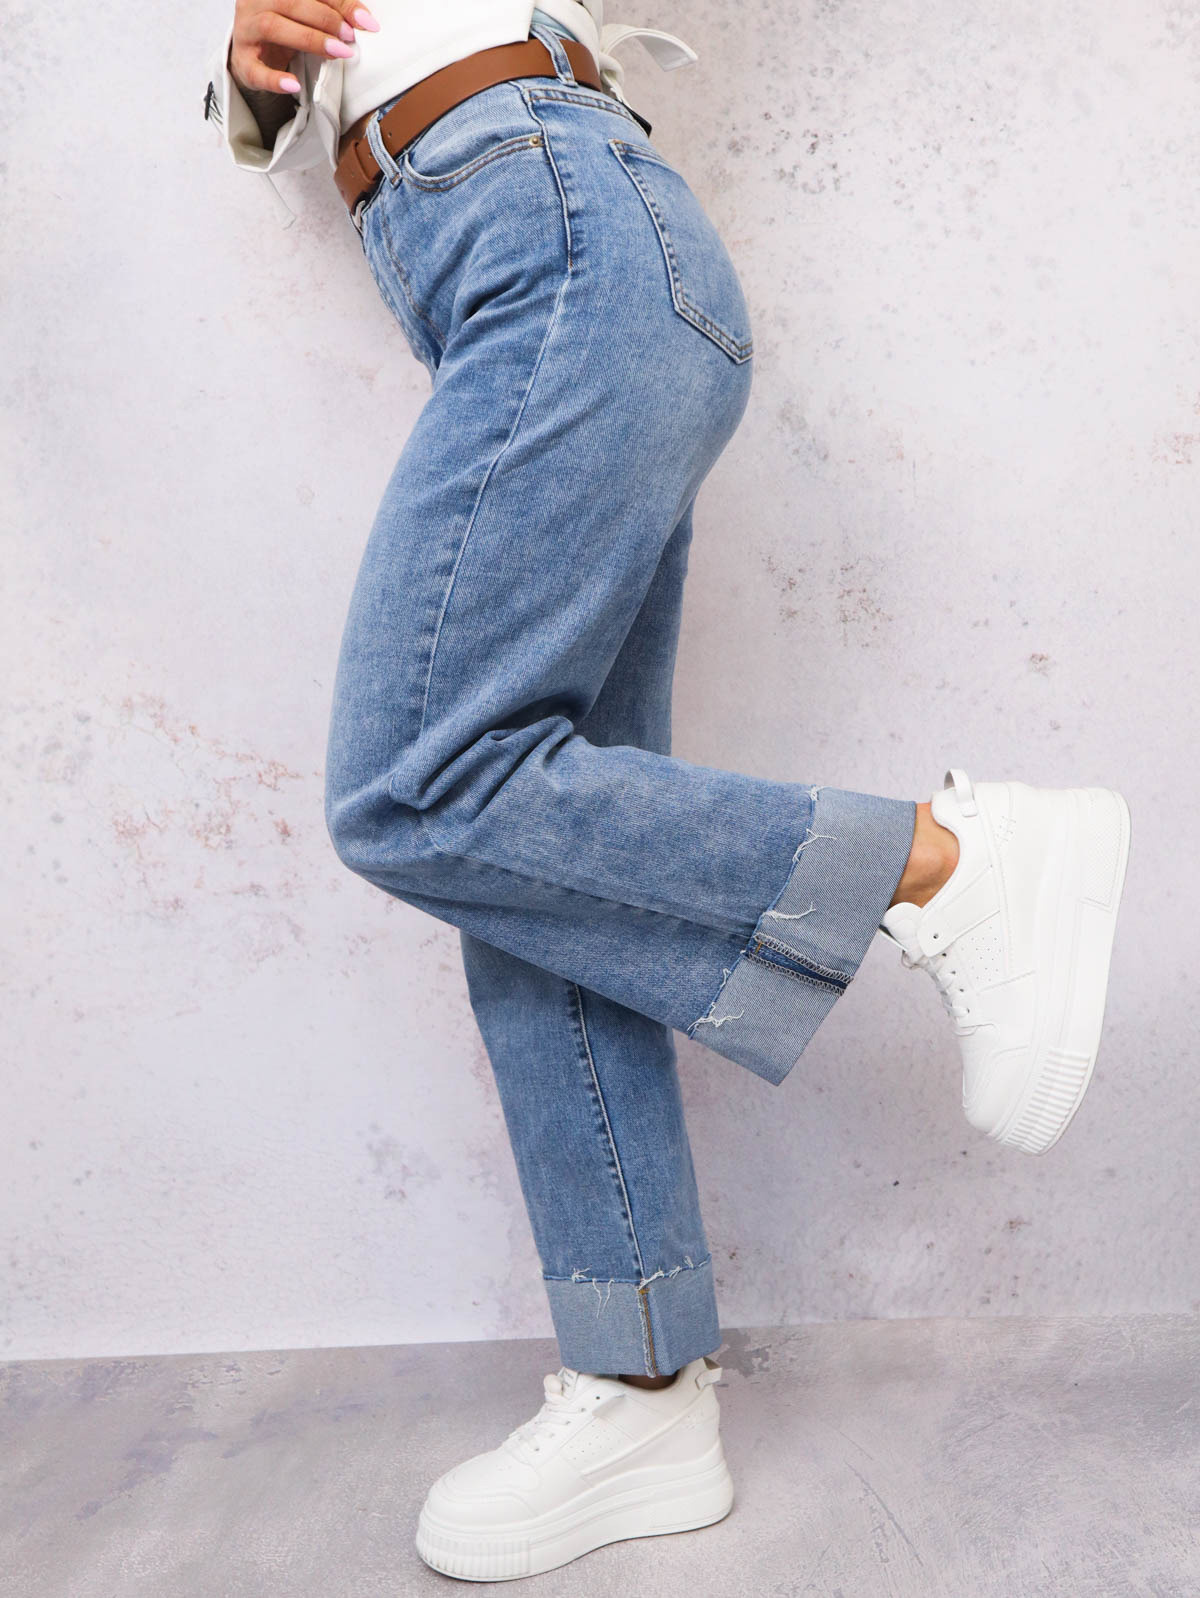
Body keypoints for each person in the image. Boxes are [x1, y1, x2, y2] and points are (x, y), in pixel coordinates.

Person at [203, 1, 1132, 1580]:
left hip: (553, 228)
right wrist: (247, 64)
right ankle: (639, 1386)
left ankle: (946, 864)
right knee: (538, 871)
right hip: (522, 256)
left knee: (416, 784)